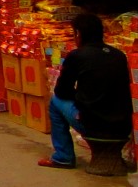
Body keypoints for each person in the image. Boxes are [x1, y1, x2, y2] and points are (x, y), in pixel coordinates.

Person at [39, 13, 132, 169]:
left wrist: (78, 97)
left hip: (93, 124)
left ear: (78, 34)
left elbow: (62, 91)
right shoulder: (119, 55)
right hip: (123, 126)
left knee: (55, 102)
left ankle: (63, 157)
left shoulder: (77, 56)